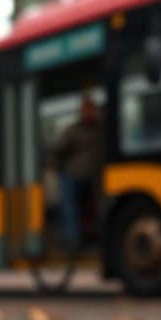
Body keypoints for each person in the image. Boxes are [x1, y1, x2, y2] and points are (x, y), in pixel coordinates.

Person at [48, 96, 104, 250]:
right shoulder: (74, 130)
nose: (89, 112)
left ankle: (100, 235)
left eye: (91, 109)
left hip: (95, 177)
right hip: (73, 175)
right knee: (68, 198)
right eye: (85, 109)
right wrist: (56, 167)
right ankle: (73, 238)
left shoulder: (101, 129)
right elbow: (56, 149)